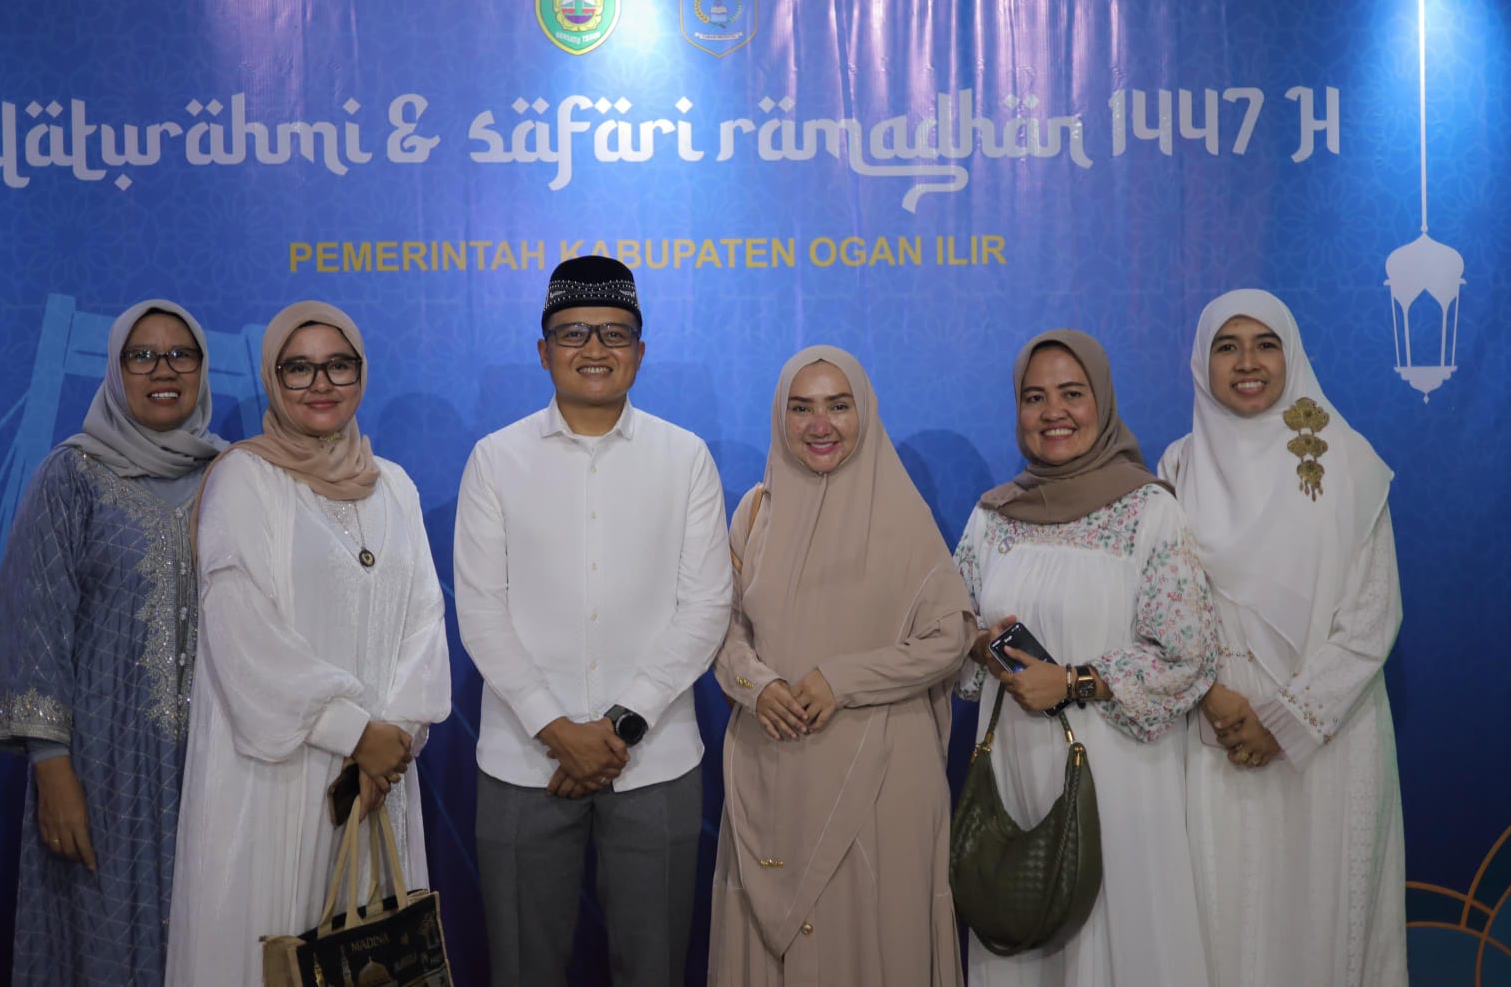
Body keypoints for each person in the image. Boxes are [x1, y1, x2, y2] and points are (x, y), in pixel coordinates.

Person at [454, 255, 733, 987]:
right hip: (524, 761)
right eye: (573, 332)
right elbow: (480, 610)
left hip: (655, 760)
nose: (594, 349)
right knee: (523, 967)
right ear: (543, 350)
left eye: (614, 333)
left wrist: (619, 728)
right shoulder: (495, 460)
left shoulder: (685, 457)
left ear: (640, 351)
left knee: (654, 967)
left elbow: (706, 606)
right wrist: (556, 730)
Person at [165, 301, 452, 986]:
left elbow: (425, 618)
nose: (320, 383)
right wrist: (355, 733)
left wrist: (396, 735)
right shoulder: (244, 478)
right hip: (280, 772)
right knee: (275, 949)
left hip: (380, 776)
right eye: (298, 368)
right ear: (273, 378)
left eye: (338, 365)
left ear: (361, 373)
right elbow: (241, 630)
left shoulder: (396, 485)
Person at [953, 329, 1217, 987]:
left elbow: (1188, 655)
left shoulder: (1150, 511)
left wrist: (1072, 681)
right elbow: (949, 635)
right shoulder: (993, 517)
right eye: (1034, 397)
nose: (1054, 412)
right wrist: (982, 645)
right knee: (1025, 922)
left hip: (1117, 776)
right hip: (1016, 769)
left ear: (1101, 399)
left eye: (1072, 394)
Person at [1159, 289, 1407, 986]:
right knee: (1222, 917)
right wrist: (1214, 697)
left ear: (1292, 355)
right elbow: (1164, 607)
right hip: (1216, 730)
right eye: (1227, 346)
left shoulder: (1348, 462)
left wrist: (1286, 722)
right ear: (1201, 362)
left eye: (1265, 344)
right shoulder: (1177, 468)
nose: (1248, 362)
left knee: (1322, 917)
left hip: (1328, 736)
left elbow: (1372, 617)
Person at [708, 346, 977, 986]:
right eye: (801, 408)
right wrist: (756, 685)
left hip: (881, 772)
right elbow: (723, 627)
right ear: (780, 416)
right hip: (777, 766)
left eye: (838, 406)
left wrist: (843, 680)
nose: (820, 425)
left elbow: (951, 634)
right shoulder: (756, 512)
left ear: (865, 412)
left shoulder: (902, 514)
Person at [0, 299, 226, 986]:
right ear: (115, 372)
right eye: (140, 356)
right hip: (103, 769)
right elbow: (35, 622)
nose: (163, 370)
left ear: (203, 369)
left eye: (180, 354)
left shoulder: (237, 476)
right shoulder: (72, 476)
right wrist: (52, 770)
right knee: (104, 945)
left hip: (221, 767)